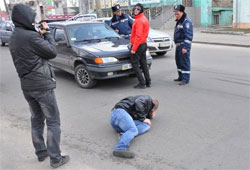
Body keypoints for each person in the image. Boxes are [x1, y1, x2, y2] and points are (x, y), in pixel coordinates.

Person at [9, 4, 69, 168]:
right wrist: (47, 33)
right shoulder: (31, 37)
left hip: (27, 86)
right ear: (25, 18)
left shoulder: (16, 35)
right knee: (53, 121)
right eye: (32, 17)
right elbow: (51, 52)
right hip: (41, 85)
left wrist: (38, 34)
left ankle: (41, 153)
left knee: (36, 120)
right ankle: (56, 158)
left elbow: (31, 48)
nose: (34, 20)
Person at [130, 3, 151, 89]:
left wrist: (133, 48)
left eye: (138, 9)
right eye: (135, 8)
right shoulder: (143, 18)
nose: (136, 10)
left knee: (135, 64)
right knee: (143, 64)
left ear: (141, 10)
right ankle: (148, 82)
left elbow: (138, 36)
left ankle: (142, 83)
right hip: (143, 44)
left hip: (138, 45)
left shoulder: (139, 21)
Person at [173, 5, 193, 85]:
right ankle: (180, 76)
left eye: (177, 13)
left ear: (182, 12)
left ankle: (185, 79)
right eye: (175, 13)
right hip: (178, 45)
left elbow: (188, 36)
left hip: (183, 45)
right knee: (178, 62)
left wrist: (185, 47)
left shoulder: (186, 21)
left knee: (184, 62)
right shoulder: (180, 21)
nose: (176, 15)